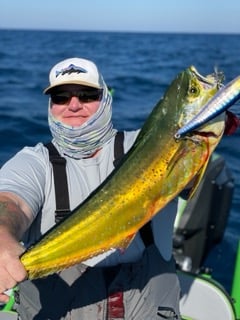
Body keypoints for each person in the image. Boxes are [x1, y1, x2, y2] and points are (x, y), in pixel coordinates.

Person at [0, 57, 181, 319]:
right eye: (61, 97)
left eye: (87, 95)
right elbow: (10, 202)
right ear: (51, 106)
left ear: (106, 98)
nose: (74, 105)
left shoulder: (153, 147)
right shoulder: (34, 161)